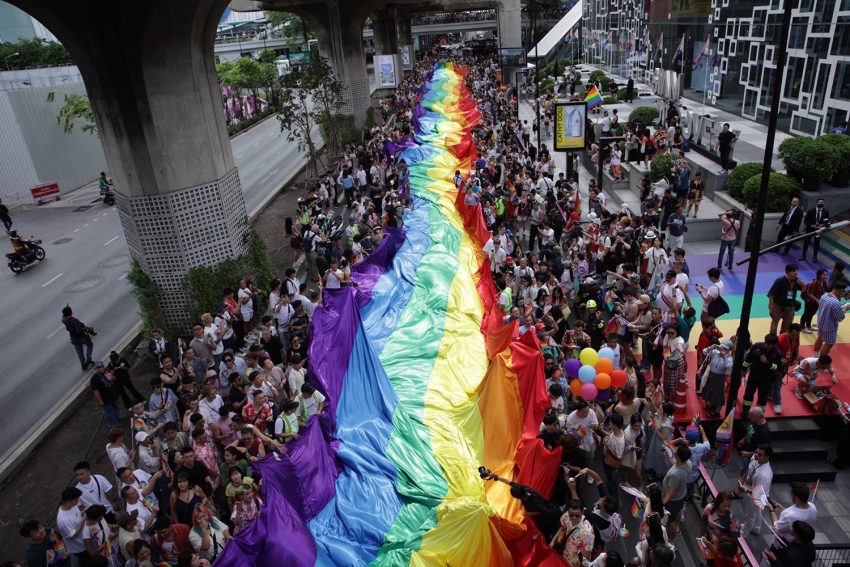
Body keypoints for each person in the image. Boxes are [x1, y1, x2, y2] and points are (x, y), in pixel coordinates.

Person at [767, 481, 818, 549]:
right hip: (802, 543)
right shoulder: (812, 507)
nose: (789, 495)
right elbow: (798, 514)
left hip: (783, 545)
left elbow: (777, 527)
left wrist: (771, 510)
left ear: (796, 497)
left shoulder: (789, 515)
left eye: (791, 494)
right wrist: (784, 509)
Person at [739, 445, 774, 537]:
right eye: (756, 452)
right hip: (750, 488)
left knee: (750, 515)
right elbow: (749, 470)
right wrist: (742, 479)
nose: (756, 455)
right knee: (757, 511)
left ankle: (742, 534)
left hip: (757, 496)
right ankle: (756, 528)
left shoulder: (765, 475)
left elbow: (759, 493)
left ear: (767, 457)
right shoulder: (756, 458)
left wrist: (745, 489)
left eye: (759, 454)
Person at [742, 335, 783, 414]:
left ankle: (759, 413)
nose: (766, 345)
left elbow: (777, 368)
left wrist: (767, 363)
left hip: (766, 379)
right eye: (766, 343)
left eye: (768, 344)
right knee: (748, 394)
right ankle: (745, 410)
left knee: (763, 397)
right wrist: (743, 369)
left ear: (774, 345)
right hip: (753, 376)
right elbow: (748, 359)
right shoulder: (757, 346)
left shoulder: (778, 354)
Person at [813, 281, 850, 357]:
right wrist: (846, 308)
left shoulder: (824, 295)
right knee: (829, 344)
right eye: (843, 291)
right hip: (830, 327)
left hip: (820, 323)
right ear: (839, 290)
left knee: (820, 338)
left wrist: (840, 305)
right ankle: (821, 361)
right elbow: (840, 318)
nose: (843, 293)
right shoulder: (835, 303)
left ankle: (815, 356)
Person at [662, 445, 691, 540]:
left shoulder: (675, 474)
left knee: (671, 521)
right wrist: (668, 457)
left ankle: (670, 539)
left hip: (673, 501)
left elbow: (670, 493)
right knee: (678, 512)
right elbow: (676, 464)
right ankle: (677, 528)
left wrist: (661, 503)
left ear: (678, 456)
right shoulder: (688, 463)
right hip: (681, 496)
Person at [768, 264, 805, 335]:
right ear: (788, 272)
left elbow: (803, 291)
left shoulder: (797, 281)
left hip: (790, 306)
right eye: (794, 271)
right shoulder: (780, 281)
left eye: (797, 270)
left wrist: (803, 285)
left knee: (787, 325)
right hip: (778, 305)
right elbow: (771, 294)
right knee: (774, 323)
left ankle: (782, 339)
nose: (796, 272)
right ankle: (772, 338)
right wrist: (771, 305)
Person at [61, 305, 95, 371]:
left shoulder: (64, 320)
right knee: (90, 345)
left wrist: (66, 309)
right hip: (81, 337)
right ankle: (88, 359)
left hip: (74, 338)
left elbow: (64, 315)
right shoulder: (74, 321)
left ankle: (83, 365)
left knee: (79, 351)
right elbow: (79, 330)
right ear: (71, 312)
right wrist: (88, 329)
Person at [800, 198, 829, 263]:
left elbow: (827, 221)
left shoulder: (826, 211)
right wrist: (812, 225)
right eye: (820, 202)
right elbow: (805, 221)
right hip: (810, 230)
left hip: (819, 230)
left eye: (822, 202)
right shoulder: (811, 211)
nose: (821, 203)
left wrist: (822, 225)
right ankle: (803, 256)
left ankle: (815, 257)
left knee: (816, 244)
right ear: (816, 203)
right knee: (806, 243)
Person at [800, 269, 828, 333]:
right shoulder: (815, 283)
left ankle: (808, 326)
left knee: (812, 313)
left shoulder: (824, 283)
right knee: (806, 314)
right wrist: (816, 299)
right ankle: (802, 327)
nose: (826, 276)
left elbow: (825, 291)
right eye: (824, 275)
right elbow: (809, 293)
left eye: (826, 275)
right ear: (819, 275)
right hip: (810, 301)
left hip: (817, 302)